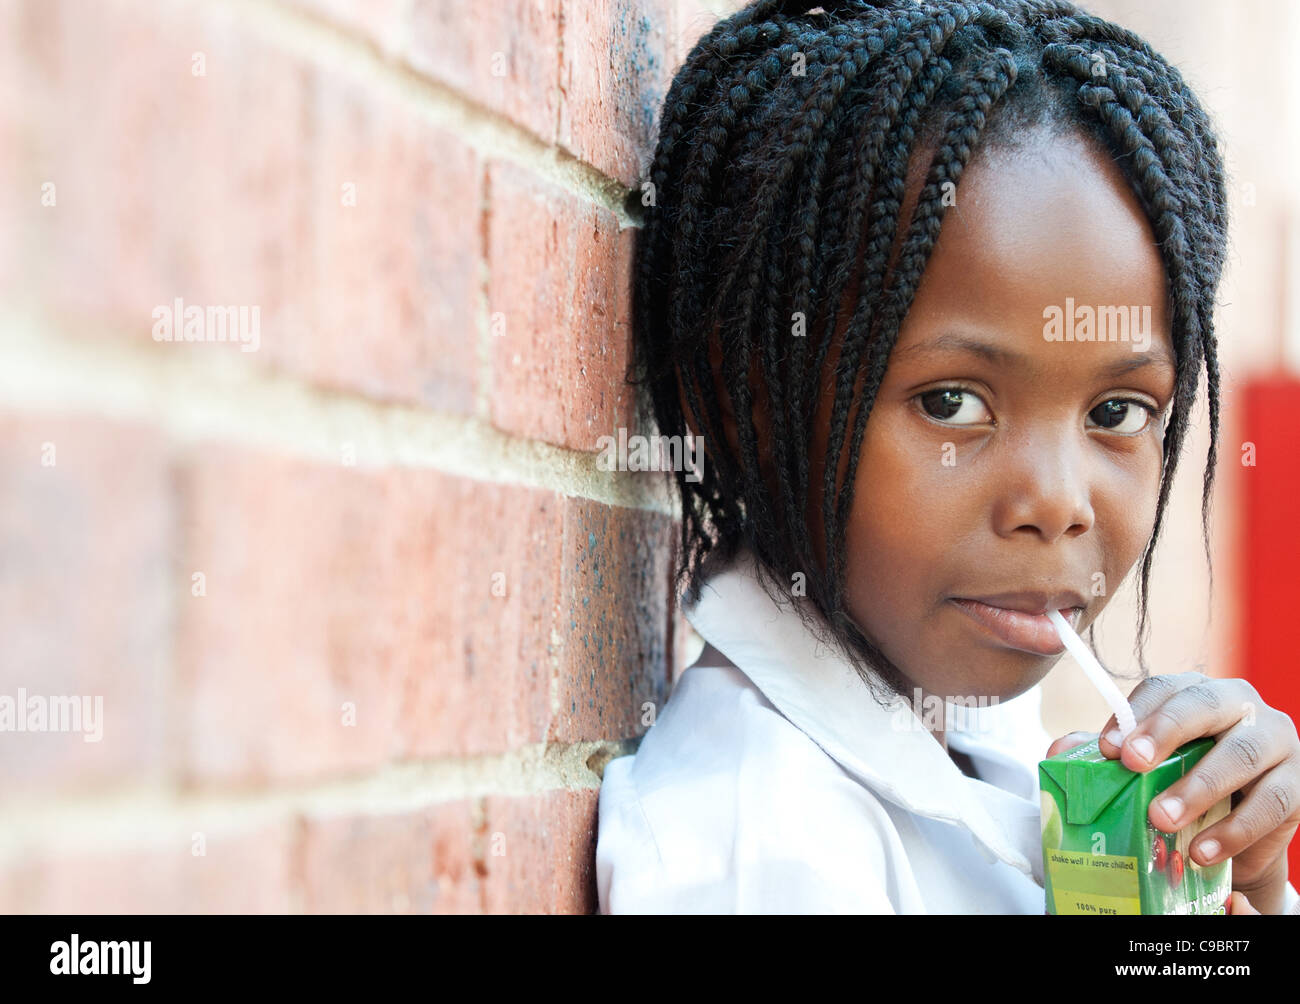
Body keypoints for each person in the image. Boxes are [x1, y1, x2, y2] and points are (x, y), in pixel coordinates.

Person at [595, 0, 1300, 913]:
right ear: (746, 408)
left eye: (1118, 409)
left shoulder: (968, 729)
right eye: (952, 403)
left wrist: (1239, 899)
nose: (1057, 502)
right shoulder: (765, 853)